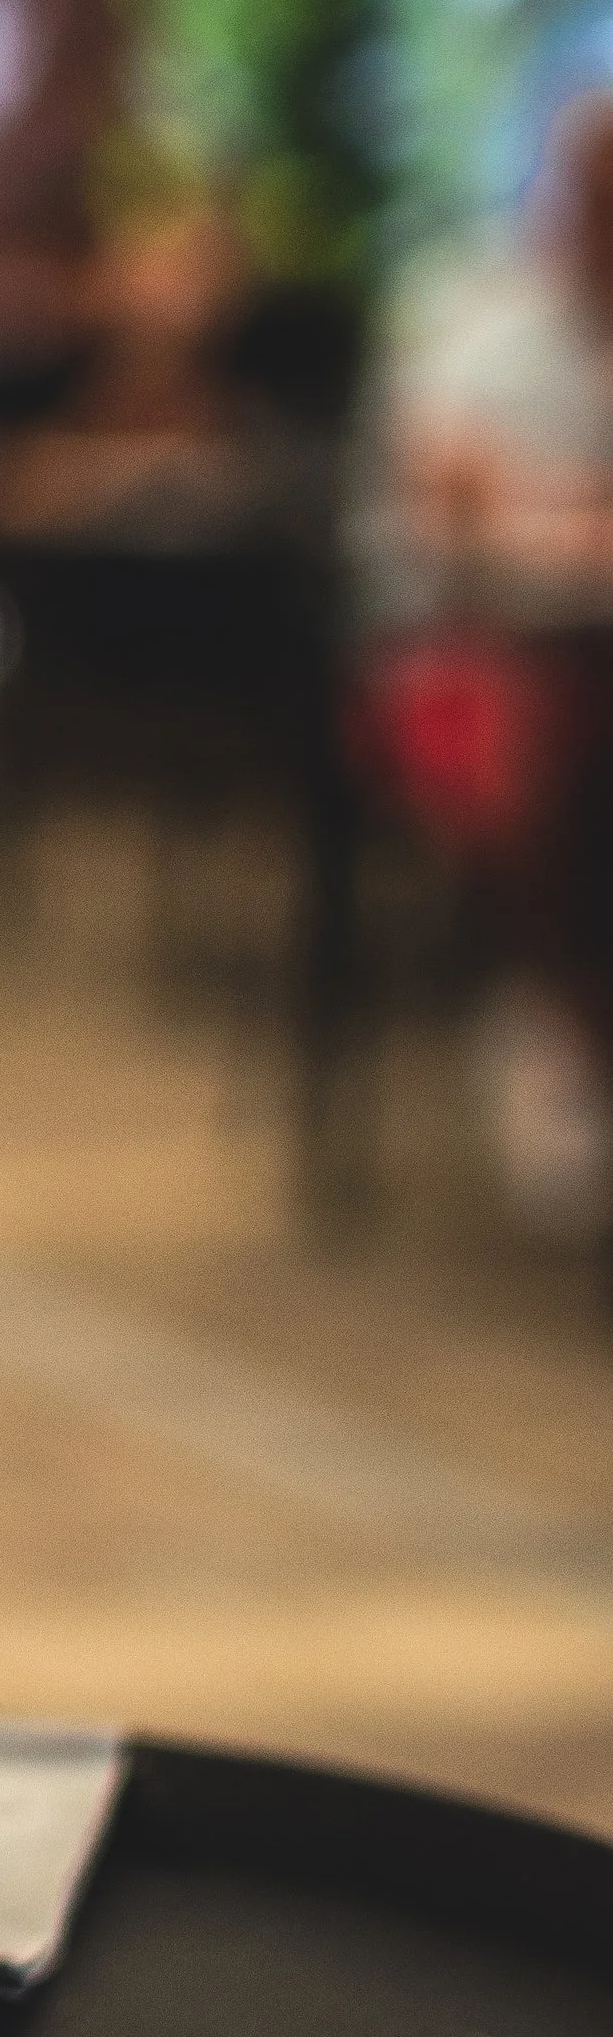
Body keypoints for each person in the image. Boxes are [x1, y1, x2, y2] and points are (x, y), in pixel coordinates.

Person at [360, 95, 613, 1242]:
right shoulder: (479, 321)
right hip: (450, 668)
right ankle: (554, 1014)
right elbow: (450, 514)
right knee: (553, 728)